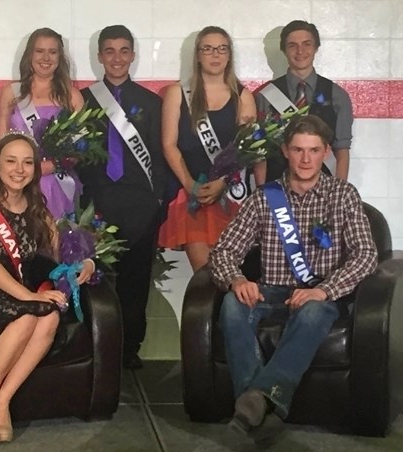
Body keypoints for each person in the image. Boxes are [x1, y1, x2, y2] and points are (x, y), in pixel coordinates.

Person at [209, 115, 376, 443]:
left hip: (320, 297)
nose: (305, 158)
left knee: (313, 310)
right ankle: (263, 404)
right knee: (232, 303)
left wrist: (324, 291)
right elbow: (224, 252)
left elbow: (366, 255)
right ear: (285, 150)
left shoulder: (342, 195)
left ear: (326, 151)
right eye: (298, 149)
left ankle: (251, 406)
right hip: (270, 292)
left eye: (313, 150)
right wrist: (237, 280)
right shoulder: (264, 198)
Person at [0, 132, 94, 444]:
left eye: (27, 162)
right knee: (31, 314)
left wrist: (87, 264)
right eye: (11, 161)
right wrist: (29, 296)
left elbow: (61, 255)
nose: (19, 169)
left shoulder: (38, 209)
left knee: (50, 315)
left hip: (22, 292)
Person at [79, 25, 165, 369]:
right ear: (100, 56)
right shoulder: (82, 100)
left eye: (124, 50)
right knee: (92, 278)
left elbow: (160, 156)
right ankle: (96, 345)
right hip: (95, 203)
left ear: (133, 55)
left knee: (135, 280)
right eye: (110, 51)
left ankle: (129, 349)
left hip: (139, 205)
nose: (117, 58)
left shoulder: (151, 103)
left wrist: (158, 202)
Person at [158, 26, 262, 271]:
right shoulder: (177, 93)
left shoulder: (243, 97)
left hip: (231, 195)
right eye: (208, 49)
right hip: (192, 196)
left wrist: (223, 182)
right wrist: (190, 185)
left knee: (232, 275)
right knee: (205, 276)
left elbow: (246, 149)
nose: (215, 55)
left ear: (229, 55)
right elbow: (168, 144)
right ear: (197, 55)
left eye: (221, 49)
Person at [0, 27, 84, 219]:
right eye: (40, 51)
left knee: (55, 243)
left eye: (52, 52)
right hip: (17, 181)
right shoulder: (11, 93)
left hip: (57, 183)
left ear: (60, 57)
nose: (46, 58)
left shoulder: (73, 96)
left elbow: (81, 148)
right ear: (29, 55)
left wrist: (50, 166)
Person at [256, 20, 353, 181]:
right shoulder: (265, 95)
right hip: (277, 190)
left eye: (307, 44)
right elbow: (259, 152)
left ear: (316, 48)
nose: (300, 51)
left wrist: (339, 191)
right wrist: (262, 193)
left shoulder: (338, 95)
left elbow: (342, 149)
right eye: (292, 45)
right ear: (284, 50)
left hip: (322, 190)